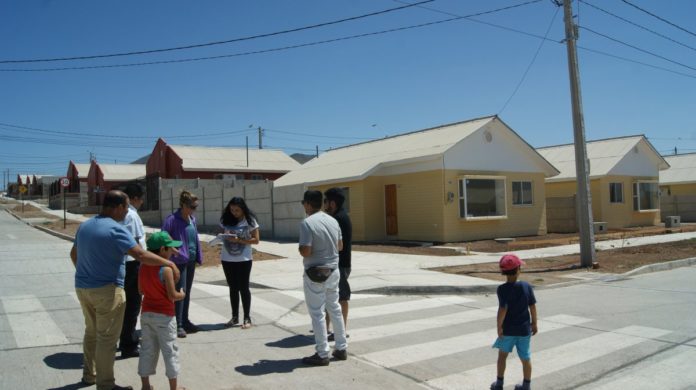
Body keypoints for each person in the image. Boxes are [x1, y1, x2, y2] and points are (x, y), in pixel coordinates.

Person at [70, 190, 180, 390]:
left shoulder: (85, 226)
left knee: (92, 332)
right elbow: (141, 255)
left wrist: (86, 273)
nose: (127, 211)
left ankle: (89, 375)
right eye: (126, 207)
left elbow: (73, 254)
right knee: (107, 338)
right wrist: (169, 263)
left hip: (83, 287)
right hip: (107, 291)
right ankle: (106, 385)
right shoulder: (116, 229)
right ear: (118, 207)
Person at [298, 190, 348, 366]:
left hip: (315, 273)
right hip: (334, 271)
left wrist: (301, 249)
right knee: (334, 308)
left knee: (317, 313)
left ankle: (322, 353)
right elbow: (340, 246)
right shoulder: (333, 220)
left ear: (308, 204)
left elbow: (306, 251)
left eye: (303, 203)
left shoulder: (307, 223)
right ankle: (341, 348)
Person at [138, 232, 187, 390]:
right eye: (170, 248)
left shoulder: (143, 266)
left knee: (147, 349)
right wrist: (183, 294)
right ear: (162, 249)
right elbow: (172, 295)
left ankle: (145, 385)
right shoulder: (166, 269)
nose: (173, 251)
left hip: (146, 314)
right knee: (170, 351)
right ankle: (174, 387)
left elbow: (140, 290)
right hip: (165, 317)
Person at [490, 254, 538, 390]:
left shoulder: (502, 289)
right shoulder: (526, 286)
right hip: (524, 330)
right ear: (518, 270)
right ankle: (526, 385)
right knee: (525, 357)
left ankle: (499, 384)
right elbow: (532, 306)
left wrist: (499, 327)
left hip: (508, 331)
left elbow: (502, 310)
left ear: (503, 272)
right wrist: (534, 323)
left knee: (502, 356)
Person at [162, 190, 203, 338]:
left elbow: (195, 239)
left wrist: (198, 255)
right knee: (180, 292)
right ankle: (177, 324)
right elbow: (163, 237)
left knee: (187, 292)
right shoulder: (171, 220)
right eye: (193, 206)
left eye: (196, 206)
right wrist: (174, 250)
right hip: (179, 261)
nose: (194, 209)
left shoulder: (192, 219)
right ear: (184, 205)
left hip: (190, 260)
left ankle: (184, 321)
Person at [219, 197, 260, 329]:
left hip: (244, 260)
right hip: (227, 259)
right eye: (232, 210)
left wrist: (240, 240)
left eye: (237, 210)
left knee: (244, 288)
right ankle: (234, 316)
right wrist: (222, 236)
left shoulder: (250, 221)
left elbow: (256, 240)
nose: (234, 213)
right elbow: (220, 233)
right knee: (233, 288)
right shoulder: (225, 219)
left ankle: (247, 317)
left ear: (243, 209)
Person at [119, 183, 146, 359]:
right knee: (132, 306)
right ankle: (128, 345)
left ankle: (125, 338)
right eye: (141, 198)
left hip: (124, 264)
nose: (142, 202)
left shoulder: (120, 214)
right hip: (132, 264)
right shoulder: (131, 215)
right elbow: (135, 243)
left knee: (125, 306)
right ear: (135, 198)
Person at [323, 187, 352, 341]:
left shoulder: (338, 219)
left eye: (326, 201)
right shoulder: (339, 216)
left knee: (341, 297)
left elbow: (334, 244)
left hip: (339, 264)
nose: (324, 205)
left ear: (332, 203)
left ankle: (341, 330)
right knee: (330, 296)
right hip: (339, 263)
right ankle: (326, 328)